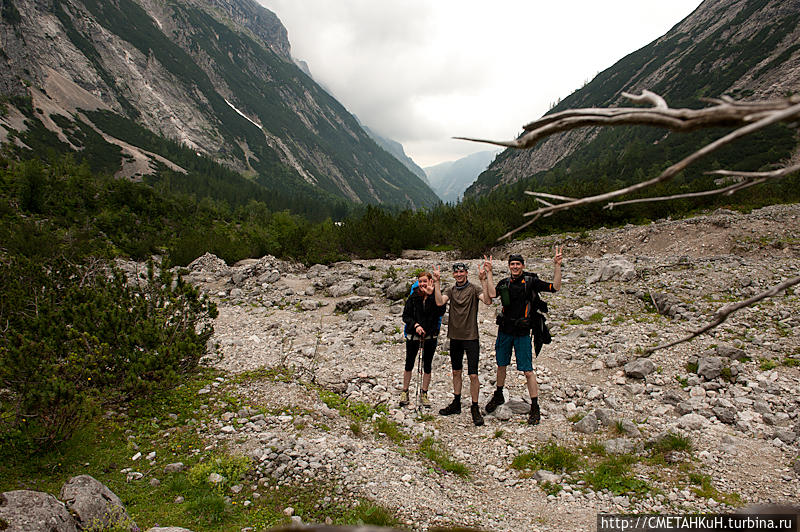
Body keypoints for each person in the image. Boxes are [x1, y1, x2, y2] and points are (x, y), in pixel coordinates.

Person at [484, 248, 562, 425]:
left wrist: (557, 266)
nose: (515, 267)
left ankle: (535, 405)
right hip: (505, 330)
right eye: (512, 264)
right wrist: (489, 273)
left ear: (523, 265)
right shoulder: (505, 283)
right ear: (509, 266)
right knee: (501, 365)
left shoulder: (531, 282)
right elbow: (492, 294)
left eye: (518, 264)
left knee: (527, 370)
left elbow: (555, 287)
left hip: (522, 332)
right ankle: (498, 394)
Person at [432, 257, 494, 426]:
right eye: (456, 272)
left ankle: (475, 407)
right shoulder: (451, 290)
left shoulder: (474, 289)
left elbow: (488, 301)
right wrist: (437, 282)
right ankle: (456, 402)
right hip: (455, 337)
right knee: (456, 372)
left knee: (473, 374)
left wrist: (484, 279)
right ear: (453, 274)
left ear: (466, 273)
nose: (459, 274)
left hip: (471, 337)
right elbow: (439, 302)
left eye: (462, 271)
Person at [400, 271, 446, 408]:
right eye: (420, 281)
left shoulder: (435, 296)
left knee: (427, 365)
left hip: (430, 335)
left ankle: (424, 393)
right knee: (409, 364)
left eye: (424, 281)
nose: (422, 284)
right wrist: (416, 325)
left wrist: (432, 295)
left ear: (430, 282)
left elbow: (441, 311)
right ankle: (405, 391)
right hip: (414, 335)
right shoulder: (413, 296)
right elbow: (405, 316)